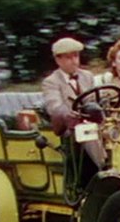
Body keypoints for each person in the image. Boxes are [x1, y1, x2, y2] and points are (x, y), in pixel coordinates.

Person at [41, 37, 106, 173]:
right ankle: (104, 167)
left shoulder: (87, 76)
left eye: (76, 56)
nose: (74, 61)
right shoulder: (51, 82)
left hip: (93, 123)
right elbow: (55, 107)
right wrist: (69, 114)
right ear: (58, 60)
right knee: (87, 132)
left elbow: (95, 100)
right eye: (69, 57)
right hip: (69, 129)